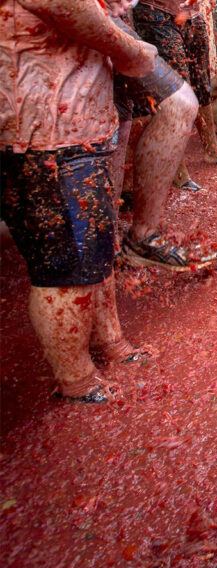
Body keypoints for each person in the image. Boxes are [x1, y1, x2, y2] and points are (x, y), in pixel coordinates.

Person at [1, 0, 157, 402]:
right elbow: (72, 10)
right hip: (42, 135)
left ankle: (111, 342)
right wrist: (134, 51)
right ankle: (76, 379)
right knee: (66, 267)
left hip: (76, 129)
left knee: (96, 250)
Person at [111, 19, 217, 271]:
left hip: (114, 18)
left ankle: (122, 241)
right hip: (95, 21)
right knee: (173, 104)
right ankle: (128, 238)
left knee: (121, 115)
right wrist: (126, 45)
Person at [131, 0, 217, 199]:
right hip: (156, 11)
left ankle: (212, 150)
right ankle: (177, 169)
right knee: (176, 90)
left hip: (193, 13)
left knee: (202, 83)